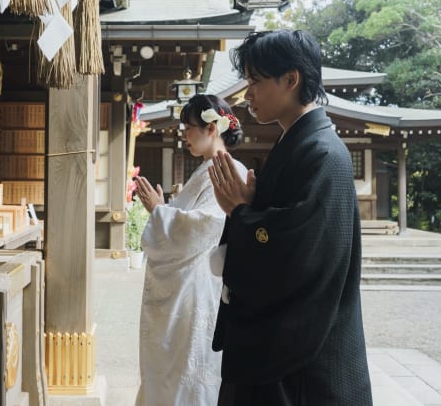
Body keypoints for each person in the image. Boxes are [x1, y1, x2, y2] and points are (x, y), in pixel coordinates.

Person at [208, 29, 373, 405]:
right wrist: (251, 206)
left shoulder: (323, 154)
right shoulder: (296, 143)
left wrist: (242, 212)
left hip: (303, 356)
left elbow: (299, 250)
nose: (246, 94)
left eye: (254, 82)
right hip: (280, 340)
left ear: (291, 79)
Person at [133, 94, 248, 406]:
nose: (183, 134)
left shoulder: (227, 169)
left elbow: (205, 227)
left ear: (212, 129)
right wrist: (164, 212)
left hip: (198, 287)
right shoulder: (210, 169)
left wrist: (161, 212)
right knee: (176, 368)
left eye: (189, 127)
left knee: (188, 367)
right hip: (190, 284)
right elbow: (189, 221)